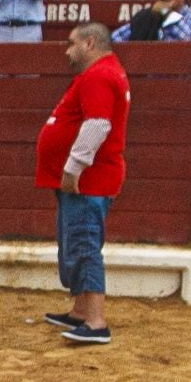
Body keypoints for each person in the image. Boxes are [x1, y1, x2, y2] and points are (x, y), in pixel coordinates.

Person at [36, 22, 129, 346]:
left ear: (90, 43)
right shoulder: (103, 73)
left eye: (72, 43)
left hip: (89, 180)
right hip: (90, 179)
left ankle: (95, 321)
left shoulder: (99, 76)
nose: (67, 51)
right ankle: (80, 311)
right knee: (76, 243)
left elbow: (97, 125)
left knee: (84, 245)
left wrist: (73, 168)